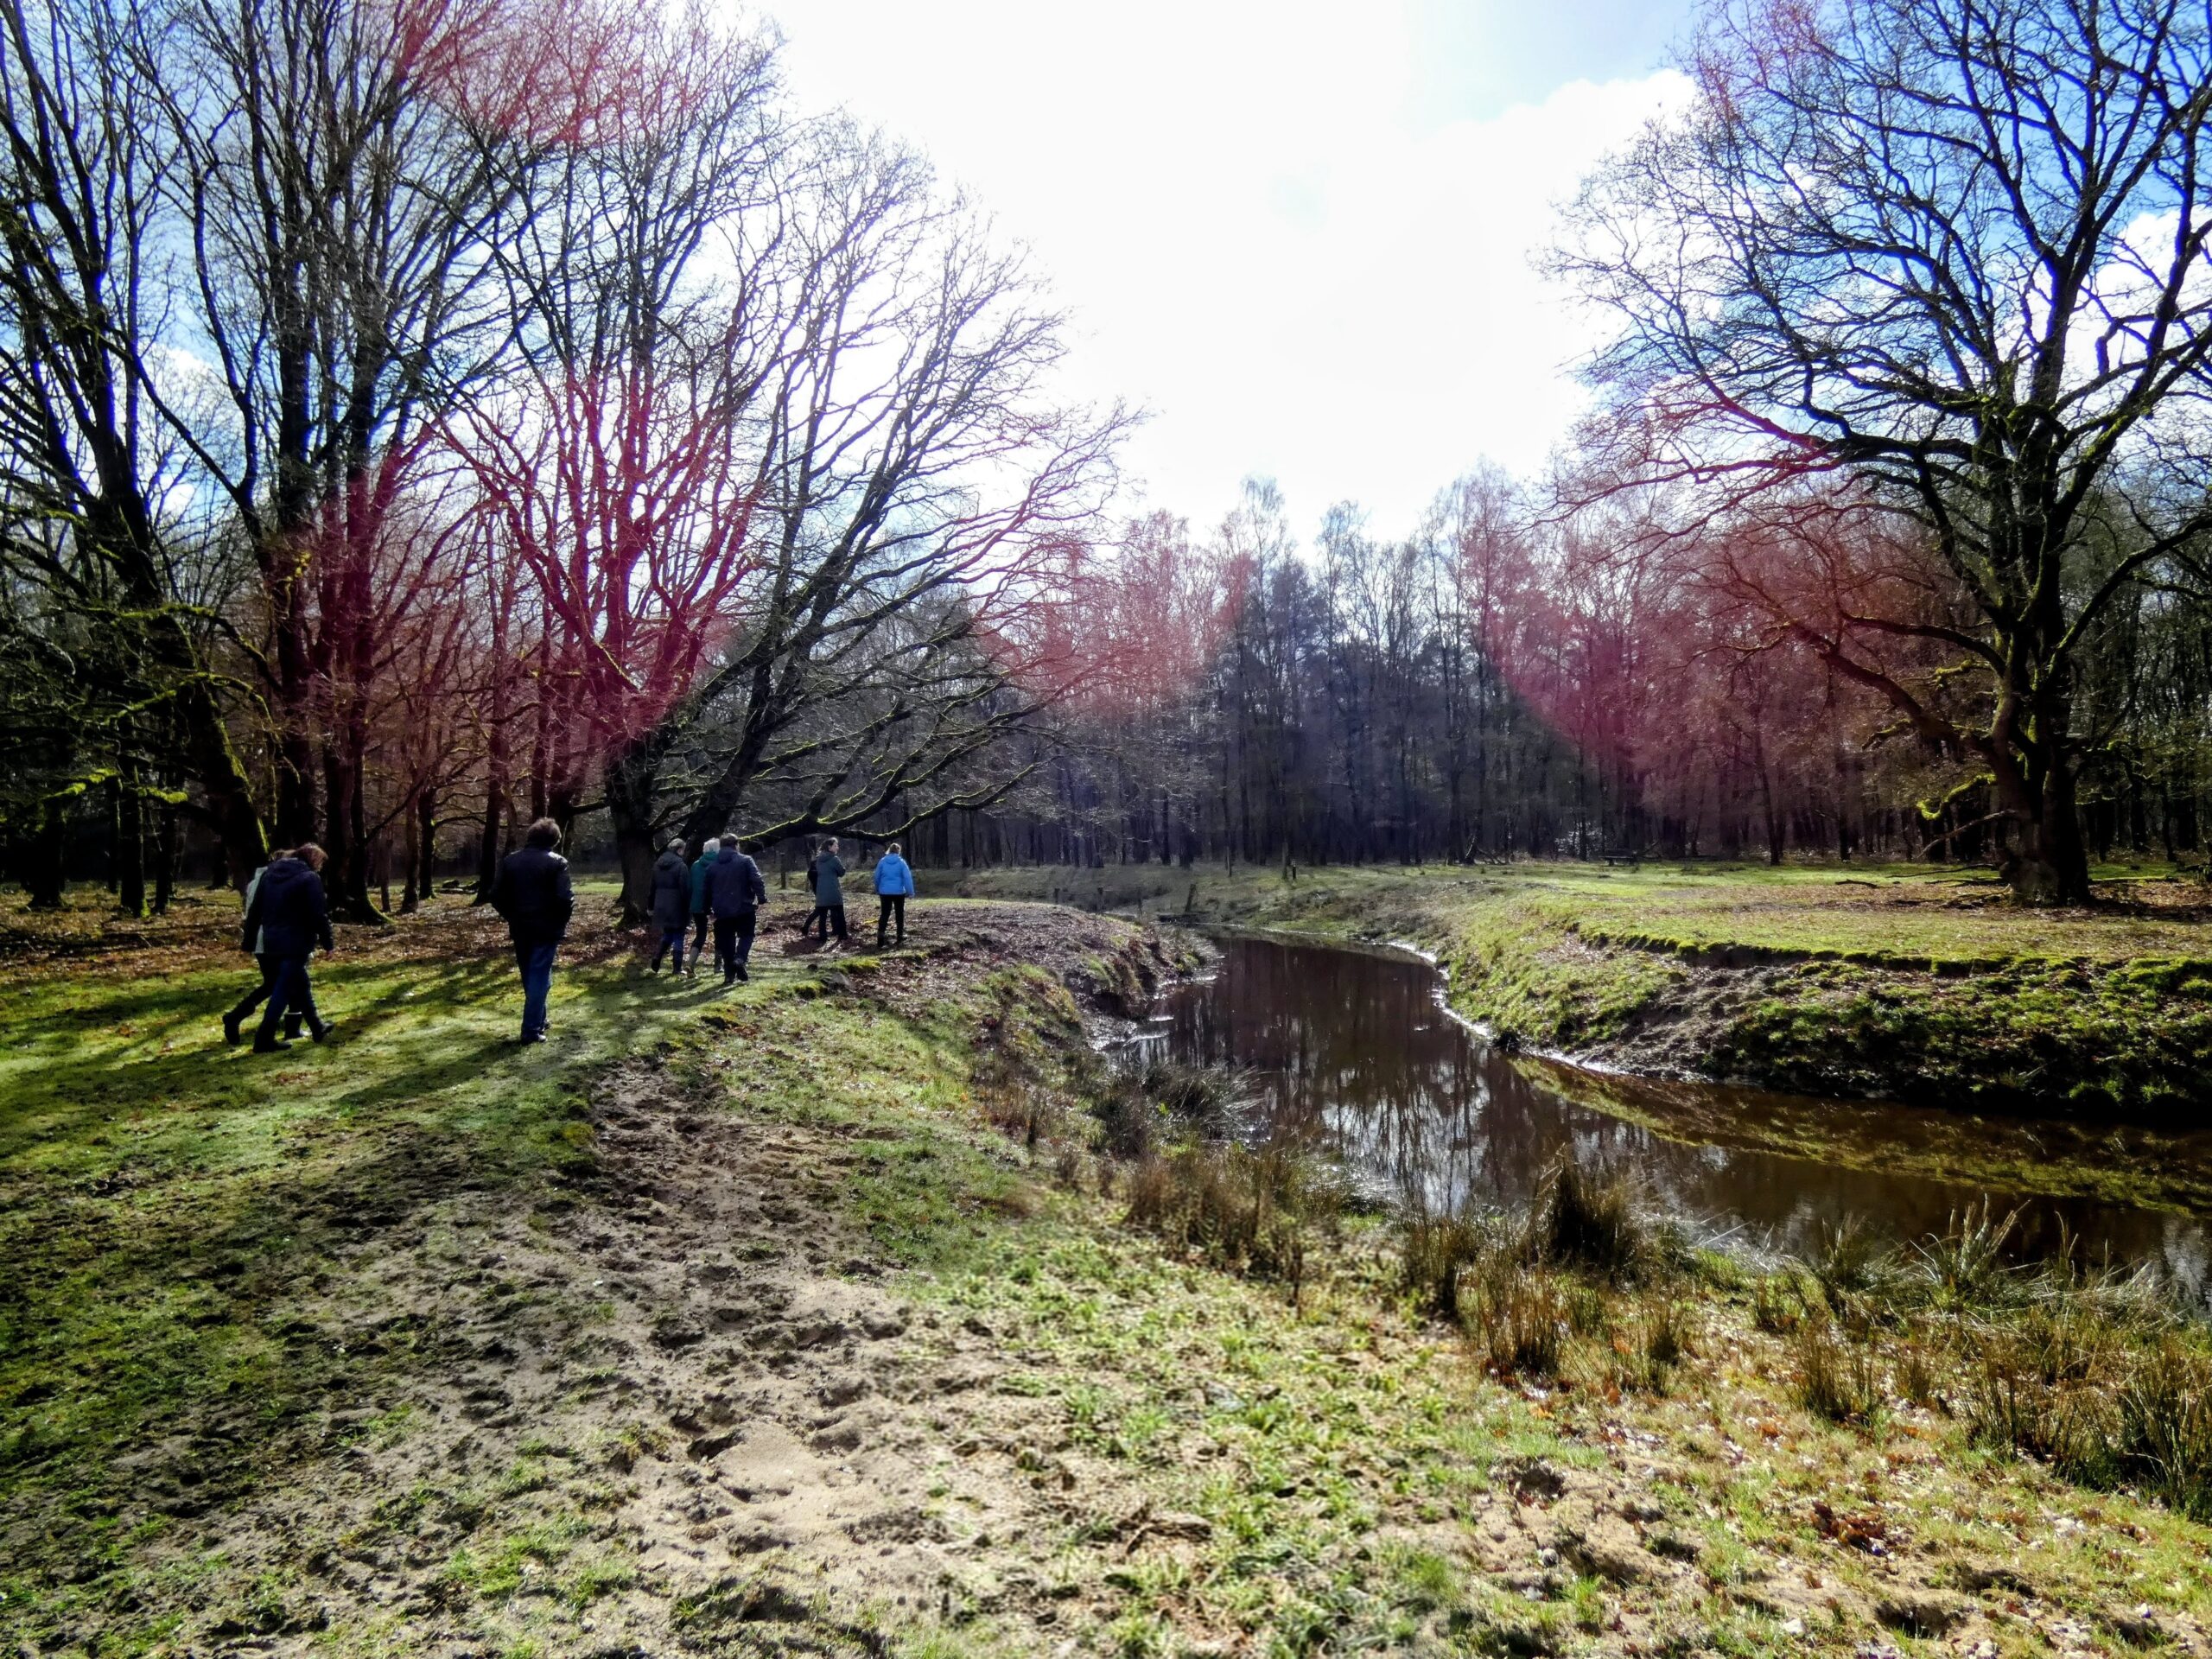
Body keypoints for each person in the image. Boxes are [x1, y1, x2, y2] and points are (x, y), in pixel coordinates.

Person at [239, 843, 334, 1052]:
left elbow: (255, 911)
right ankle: (264, 1037)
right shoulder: (310, 879)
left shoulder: (269, 876)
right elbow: (318, 914)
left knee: (300, 983)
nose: (320, 867)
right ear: (314, 860)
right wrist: (328, 943)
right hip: (297, 941)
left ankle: (317, 1026)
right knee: (283, 990)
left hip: (272, 941)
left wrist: (248, 943)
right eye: (320, 863)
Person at [490, 817, 574, 1042]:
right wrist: (560, 922)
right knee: (539, 976)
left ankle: (539, 1019)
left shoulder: (510, 862)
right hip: (546, 927)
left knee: (530, 974)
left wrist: (511, 915)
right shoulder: (558, 863)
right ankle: (531, 1029)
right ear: (554, 840)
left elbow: (496, 895)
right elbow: (565, 899)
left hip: (520, 926)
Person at [224, 849, 306, 1045]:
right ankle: (241, 1019)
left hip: (264, 939)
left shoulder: (256, 881)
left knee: (276, 983)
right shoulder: (274, 882)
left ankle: (289, 1027)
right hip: (274, 938)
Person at [705, 834, 767, 983]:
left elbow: (706, 890)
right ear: (736, 845)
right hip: (744, 906)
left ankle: (729, 975)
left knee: (727, 942)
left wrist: (707, 910)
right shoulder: (745, 860)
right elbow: (756, 879)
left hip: (721, 910)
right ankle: (740, 959)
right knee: (747, 935)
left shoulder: (712, 866)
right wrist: (762, 898)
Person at [646, 836, 692, 974]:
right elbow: (685, 889)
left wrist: (650, 906)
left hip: (661, 904)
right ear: (679, 850)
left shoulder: (657, 865)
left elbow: (652, 888)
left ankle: (657, 957)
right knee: (679, 935)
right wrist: (688, 906)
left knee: (667, 934)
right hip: (677, 904)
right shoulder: (681, 866)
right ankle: (677, 968)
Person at [872, 842, 914, 947]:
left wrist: (877, 888)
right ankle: (899, 935)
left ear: (889, 851)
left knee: (884, 914)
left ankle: (880, 937)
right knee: (899, 913)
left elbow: (877, 877)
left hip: (885, 892)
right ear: (898, 851)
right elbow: (907, 878)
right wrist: (910, 892)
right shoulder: (901, 862)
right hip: (899, 892)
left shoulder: (882, 862)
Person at [688, 836, 716, 976]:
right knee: (722, 934)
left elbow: (690, 886)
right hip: (716, 905)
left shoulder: (695, 865)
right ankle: (719, 966)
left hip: (697, 904)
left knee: (700, 935)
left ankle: (690, 963)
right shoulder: (719, 864)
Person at [813, 837, 848, 942]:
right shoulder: (834, 859)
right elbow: (841, 872)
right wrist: (842, 870)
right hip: (833, 889)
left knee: (823, 914)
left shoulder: (818, 859)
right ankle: (842, 934)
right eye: (835, 845)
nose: (838, 847)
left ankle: (823, 936)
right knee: (840, 913)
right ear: (829, 847)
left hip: (821, 889)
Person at [802, 840, 830, 939]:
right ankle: (822, 934)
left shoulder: (815, 862)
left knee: (821, 909)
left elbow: (810, 875)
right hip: (821, 889)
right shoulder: (823, 862)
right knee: (822, 910)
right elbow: (812, 875)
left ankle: (806, 927)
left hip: (818, 888)